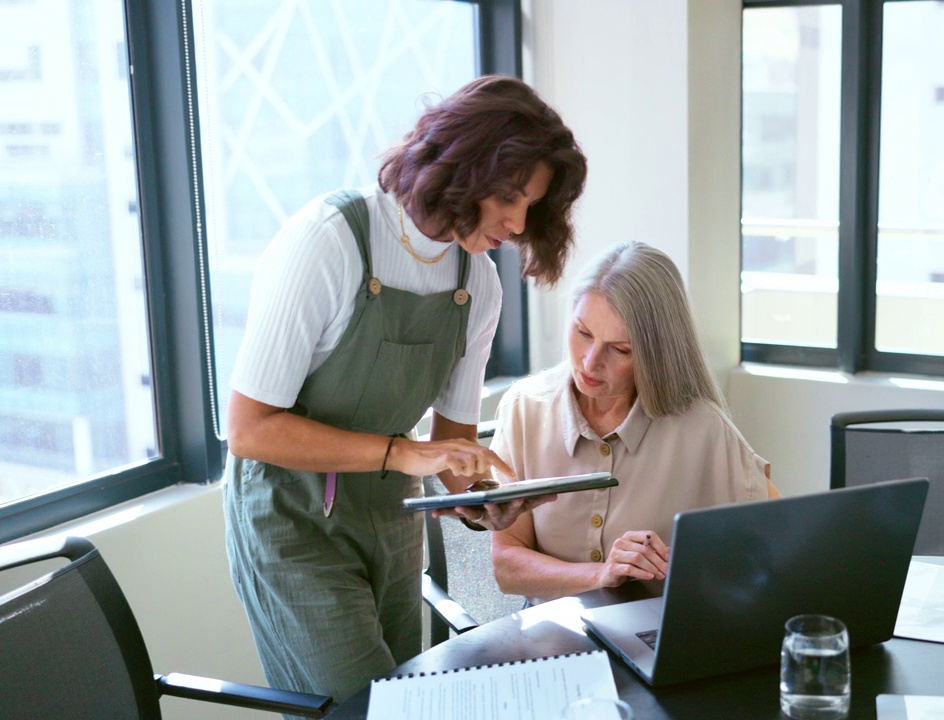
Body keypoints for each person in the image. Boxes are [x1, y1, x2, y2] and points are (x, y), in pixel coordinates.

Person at [221, 75, 586, 705]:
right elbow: (251, 430)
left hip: (393, 521)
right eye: (510, 196)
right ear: (461, 164)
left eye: (533, 206)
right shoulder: (328, 242)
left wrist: (481, 497)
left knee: (406, 707)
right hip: (293, 521)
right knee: (357, 707)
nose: (518, 222)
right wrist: (399, 453)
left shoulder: (479, 284)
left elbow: (452, 448)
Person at [489, 241, 781, 603]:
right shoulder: (524, 408)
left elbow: (775, 547)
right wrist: (603, 573)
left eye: (620, 349)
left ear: (655, 354)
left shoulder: (702, 428)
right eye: (582, 333)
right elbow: (507, 566)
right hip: (552, 643)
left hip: (656, 641)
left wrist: (697, 570)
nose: (590, 362)